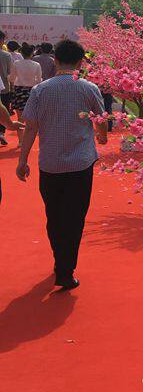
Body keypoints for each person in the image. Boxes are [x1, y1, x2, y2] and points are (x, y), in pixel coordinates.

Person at [16, 39, 108, 291]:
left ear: (55, 60)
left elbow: (31, 127)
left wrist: (23, 160)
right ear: (81, 62)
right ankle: (65, 269)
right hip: (80, 164)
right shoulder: (88, 88)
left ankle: (61, 260)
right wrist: (102, 135)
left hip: (50, 164)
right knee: (75, 217)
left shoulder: (40, 90)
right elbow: (101, 119)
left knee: (54, 215)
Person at [10, 44, 43, 145]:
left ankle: (21, 141)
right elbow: (39, 80)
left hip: (19, 90)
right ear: (32, 53)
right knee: (31, 118)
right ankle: (28, 141)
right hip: (31, 91)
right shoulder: (36, 65)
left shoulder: (16, 63)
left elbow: (12, 78)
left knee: (20, 118)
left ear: (21, 53)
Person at [0, 31, 14, 146]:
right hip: (4, 87)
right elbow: (10, 73)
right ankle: (1, 133)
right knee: (3, 109)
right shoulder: (6, 55)